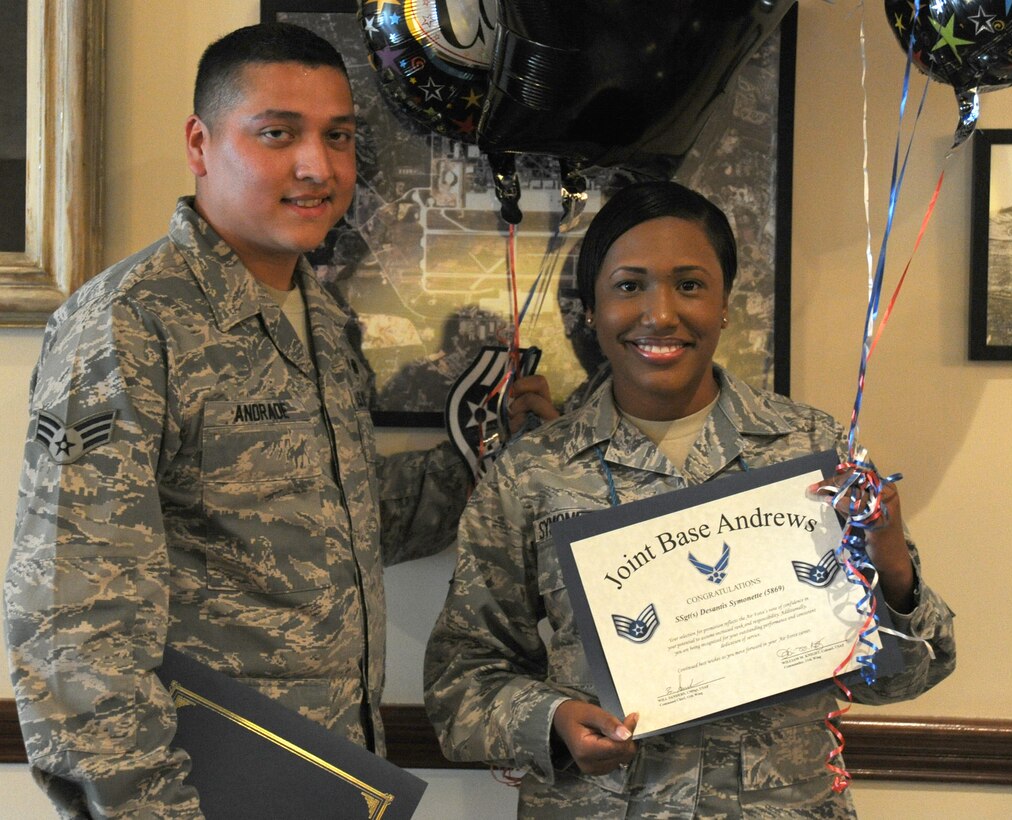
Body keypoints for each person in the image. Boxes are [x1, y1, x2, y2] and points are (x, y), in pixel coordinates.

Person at [3, 23, 475, 817]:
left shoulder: (321, 320)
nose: (315, 167)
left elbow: (339, 521)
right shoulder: (129, 322)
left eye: (338, 137)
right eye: (277, 134)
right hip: (201, 788)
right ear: (200, 141)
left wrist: (478, 459)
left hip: (332, 776)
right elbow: (72, 614)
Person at [423, 181, 956, 818]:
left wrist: (890, 558)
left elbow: (904, 675)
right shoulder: (531, 474)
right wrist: (553, 719)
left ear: (725, 303)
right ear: (591, 310)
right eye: (629, 285)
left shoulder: (807, 449)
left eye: (690, 284)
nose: (661, 313)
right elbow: (461, 680)